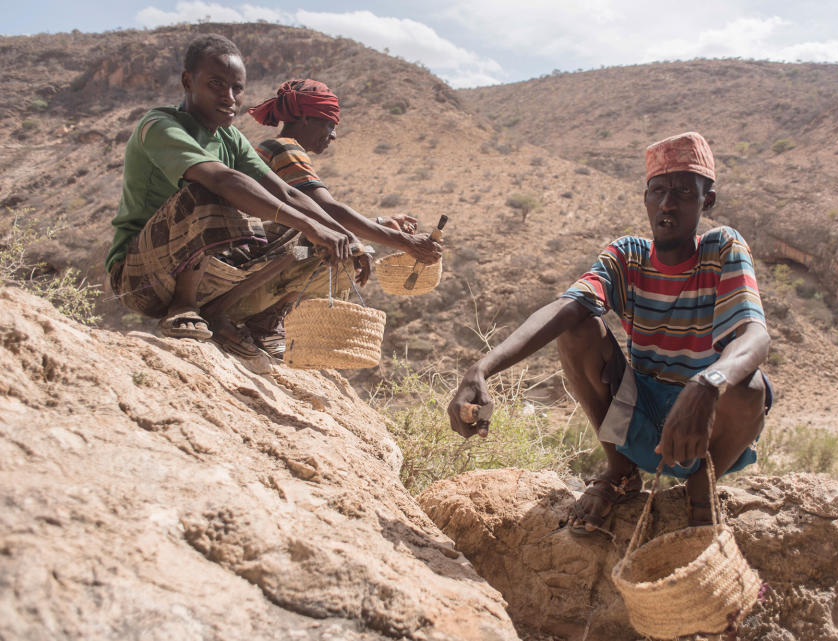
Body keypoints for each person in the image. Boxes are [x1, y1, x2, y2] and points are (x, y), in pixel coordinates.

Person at [447, 132, 773, 533]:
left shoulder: (723, 247)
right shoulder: (628, 254)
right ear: (646, 198)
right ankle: (620, 472)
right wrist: (480, 369)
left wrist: (706, 385)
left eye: (685, 193)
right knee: (577, 329)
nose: (668, 203)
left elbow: (755, 337)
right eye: (659, 191)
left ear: (708, 201)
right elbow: (567, 308)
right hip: (644, 408)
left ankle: (700, 488)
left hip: (704, 420)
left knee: (750, 386)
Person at [106, 34, 369, 358]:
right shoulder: (161, 125)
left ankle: (225, 314)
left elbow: (286, 191)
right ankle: (183, 306)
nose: (229, 97)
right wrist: (309, 224)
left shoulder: (231, 138)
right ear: (188, 81)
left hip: (206, 271)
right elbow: (222, 179)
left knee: (308, 241)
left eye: (237, 89)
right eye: (216, 84)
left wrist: (345, 237)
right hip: (140, 278)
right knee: (209, 188)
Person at [242, 79, 443, 357]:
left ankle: (267, 318)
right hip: (254, 255)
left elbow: (320, 214)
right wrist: (405, 242)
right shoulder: (285, 148)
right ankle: (262, 322)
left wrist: (380, 225)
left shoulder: (278, 149)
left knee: (341, 245)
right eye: (328, 125)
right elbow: (329, 212)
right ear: (303, 117)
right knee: (331, 250)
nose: (333, 135)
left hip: (259, 250)